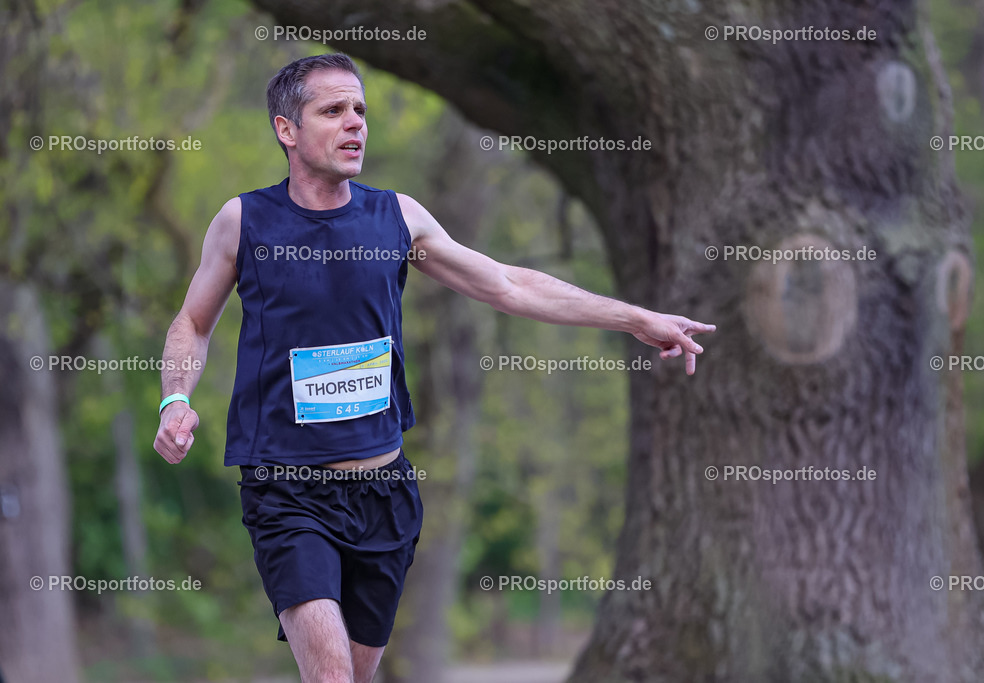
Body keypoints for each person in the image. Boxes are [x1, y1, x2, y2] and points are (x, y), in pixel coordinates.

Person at [153, 52, 715, 683]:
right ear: (287, 130)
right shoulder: (244, 221)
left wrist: (635, 318)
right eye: (333, 111)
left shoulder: (397, 217)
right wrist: (175, 399)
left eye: (360, 110)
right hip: (288, 490)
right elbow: (192, 324)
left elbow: (508, 283)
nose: (355, 124)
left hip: (384, 491)